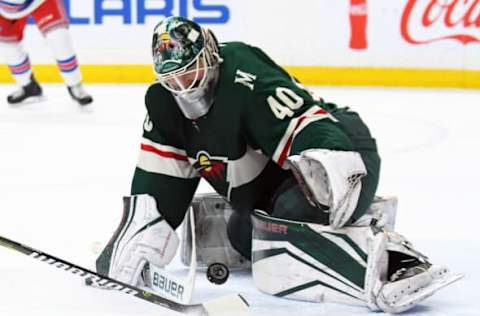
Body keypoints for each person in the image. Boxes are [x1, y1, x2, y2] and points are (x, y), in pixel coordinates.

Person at [95, 16, 461, 313]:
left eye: (189, 71)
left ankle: (392, 256)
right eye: (172, 78)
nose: (183, 85)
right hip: (270, 181)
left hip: (340, 149)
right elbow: (161, 181)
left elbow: (308, 126)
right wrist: (139, 232)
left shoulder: (242, 73)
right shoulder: (163, 103)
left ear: (210, 54)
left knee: (290, 218)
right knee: (246, 239)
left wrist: (331, 165)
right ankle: (306, 226)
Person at [0, 0, 93, 105]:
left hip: (40, 2)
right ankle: (27, 86)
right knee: (7, 45)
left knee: (58, 37)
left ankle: (74, 84)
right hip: (4, 8)